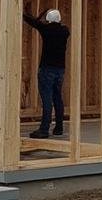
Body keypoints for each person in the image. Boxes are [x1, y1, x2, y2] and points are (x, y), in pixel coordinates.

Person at [23, 7, 70, 138]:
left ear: (48, 20)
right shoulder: (65, 31)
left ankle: (44, 129)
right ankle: (59, 127)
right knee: (57, 98)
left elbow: (34, 23)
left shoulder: (47, 30)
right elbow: (42, 24)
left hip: (47, 69)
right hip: (60, 70)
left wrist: (27, 14)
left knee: (47, 99)